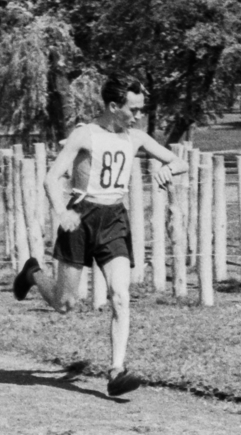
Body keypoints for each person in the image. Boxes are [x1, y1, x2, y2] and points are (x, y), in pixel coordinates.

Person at [11, 77, 184, 397]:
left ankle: (117, 369)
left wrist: (168, 169)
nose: (138, 116)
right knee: (65, 304)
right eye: (133, 110)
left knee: (121, 295)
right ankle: (33, 274)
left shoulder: (137, 138)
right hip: (80, 217)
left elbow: (178, 161)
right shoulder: (85, 135)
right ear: (114, 106)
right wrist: (61, 211)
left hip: (114, 220)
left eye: (141, 110)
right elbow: (51, 178)